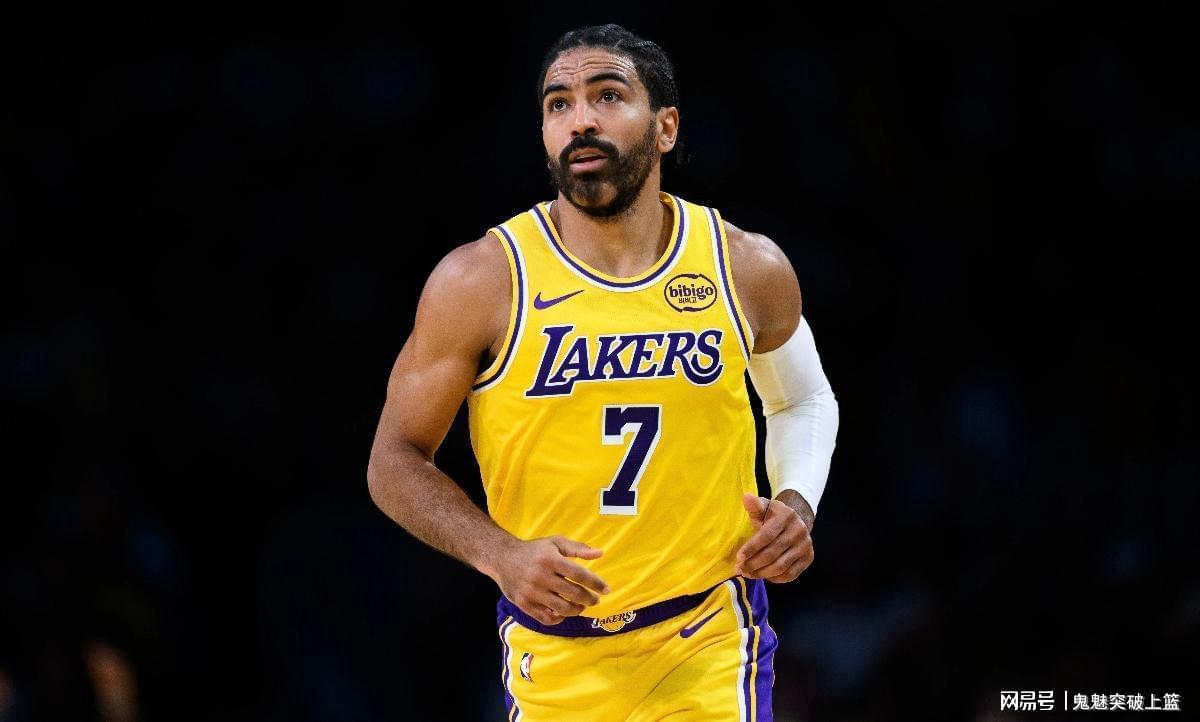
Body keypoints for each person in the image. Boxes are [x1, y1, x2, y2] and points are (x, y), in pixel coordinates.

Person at [367, 23, 838, 721]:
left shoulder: (745, 266)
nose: (580, 119)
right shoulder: (481, 280)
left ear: (666, 127)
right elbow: (393, 460)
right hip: (556, 653)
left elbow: (804, 399)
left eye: (608, 95)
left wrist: (797, 503)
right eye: (558, 104)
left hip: (709, 641)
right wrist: (499, 554)